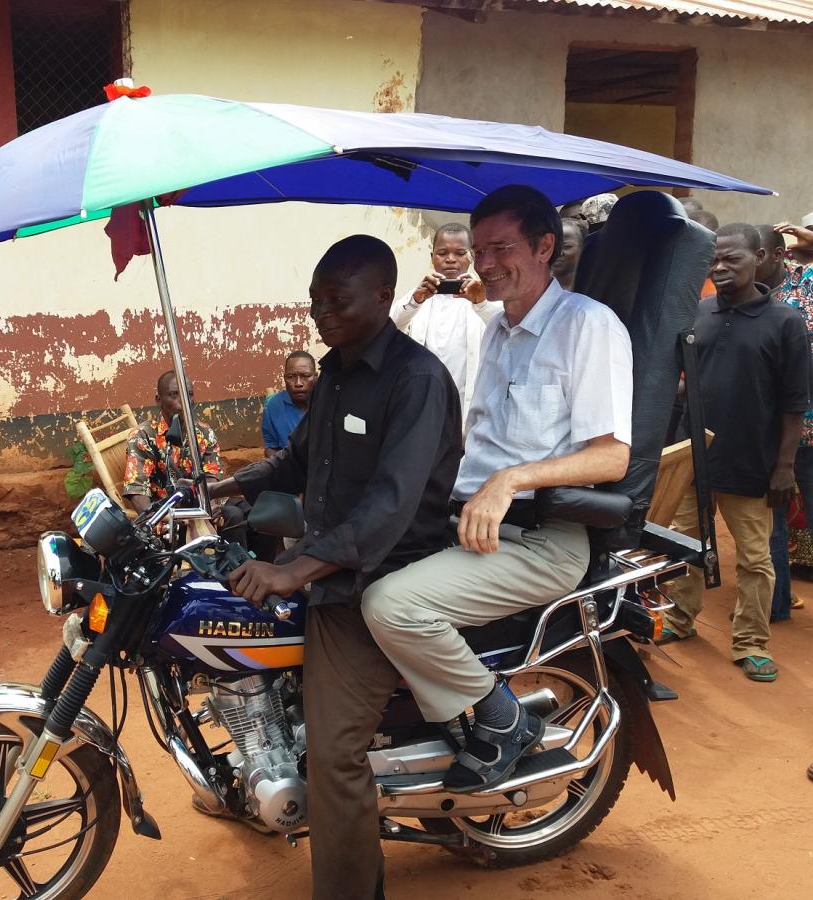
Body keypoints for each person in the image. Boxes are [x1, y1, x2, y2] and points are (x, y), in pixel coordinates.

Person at [208, 234, 462, 899]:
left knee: (334, 754)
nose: (321, 312)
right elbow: (296, 461)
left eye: (337, 299)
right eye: (315, 300)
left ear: (383, 296)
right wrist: (227, 486)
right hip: (331, 564)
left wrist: (296, 569)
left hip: (383, 581)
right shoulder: (336, 373)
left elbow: (391, 503)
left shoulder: (417, 381)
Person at [362, 185, 632, 793]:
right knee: (348, 564)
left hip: (543, 542)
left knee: (393, 605)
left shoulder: (588, 327)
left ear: (545, 247)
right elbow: (474, 444)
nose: (484, 264)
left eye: (500, 248)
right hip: (470, 524)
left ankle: (501, 719)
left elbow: (612, 457)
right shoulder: (498, 331)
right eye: (478, 250)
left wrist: (512, 480)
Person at [658, 224, 811, 683]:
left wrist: (783, 467)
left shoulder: (785, 322)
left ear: (760, 257)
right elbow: (684, 381)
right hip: (695, 459)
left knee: (755, 559)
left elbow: (793, 403)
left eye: (732, 260)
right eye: (715, 261)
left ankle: (751, 643)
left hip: (752, 462)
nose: (721, 269)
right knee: (683, 545)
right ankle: (681, 620)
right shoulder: (698, 313)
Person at [758, 226, 813, 620]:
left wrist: (804, 236)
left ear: (777, 255)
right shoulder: (746, 299)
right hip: (767, 429)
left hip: (808, 427)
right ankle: (776, 602)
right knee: (771, 517)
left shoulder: (805, 285)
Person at [390, 222, 502, 409]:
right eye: (442, 253)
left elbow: (505, 329)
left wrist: (481, 303)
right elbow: (390, 328)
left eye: (459, 253)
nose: (450, 259)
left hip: (468, 404)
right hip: (423, 401)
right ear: (432, 256)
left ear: (471, 256)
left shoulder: (486, 297)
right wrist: (415, 301)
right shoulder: (417, 297)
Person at [124, 370, 226, 514]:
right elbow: (138, 490)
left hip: (201, 508)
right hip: (166, 515)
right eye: (174, 395)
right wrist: (156, 520)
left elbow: (212, 477)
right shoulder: (142, 436)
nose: (183, 401)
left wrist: (211, 507)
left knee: (240, 514)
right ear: (158, 400)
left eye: (188, 394)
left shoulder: (204, 433)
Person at [261, 351, 317, 458]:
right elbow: (271, 447)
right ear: (284, 378)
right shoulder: (273, 406)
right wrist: (285, 468)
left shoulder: (329, 402)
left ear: (315, 377)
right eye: (291, 377)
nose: (298, 383)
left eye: (305, 376)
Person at [551, 216, 588, 291]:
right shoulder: (535, 290)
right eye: (552, 247)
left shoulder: (596, 286)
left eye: (566, 246)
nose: (558, 253)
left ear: (583, 247)